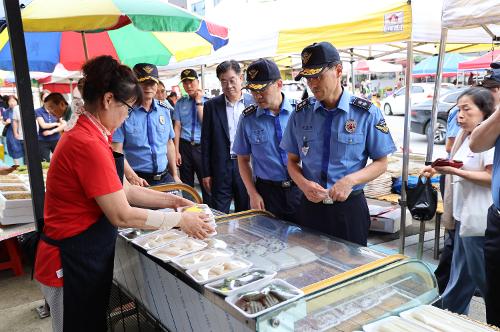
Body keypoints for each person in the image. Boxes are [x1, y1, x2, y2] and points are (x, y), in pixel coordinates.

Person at [34, 55, 214, 332]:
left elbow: (124, 190)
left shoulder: (94, 135)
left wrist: (175, 201)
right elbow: (121, 213)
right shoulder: (86, 143)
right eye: (128, 107)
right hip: (69, 263)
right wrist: (179, 220)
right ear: (108, 100)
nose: (128, 115)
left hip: (84, 256)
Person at [280, 42, 396, 246]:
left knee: (351, 270)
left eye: (318, 76)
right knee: (310, 268)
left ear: (338, 71)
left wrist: (349, 181)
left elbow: (381, 162)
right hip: (310, 205)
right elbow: (291, 162)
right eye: (308, 78)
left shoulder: (366, 113)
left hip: (349, 208)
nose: (313, 84)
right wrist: (304, 184)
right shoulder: (300, 113)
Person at [422, 87, 495, 315]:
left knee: (481, 279)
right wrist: (438, 170)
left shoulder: (489, 142)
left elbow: (491, 178)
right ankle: (448, 315)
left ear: (484, 112)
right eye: (458, 109)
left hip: (480, 221)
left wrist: (455, 173)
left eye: (467, 109)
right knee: (461, 273)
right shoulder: (466, 137)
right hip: (464, 217)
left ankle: (454, 313)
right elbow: (460, 165)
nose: (460, 115)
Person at [233, 59, 302, 222]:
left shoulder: (300, 112)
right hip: (267, 193)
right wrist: (252, 193)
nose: (257, 96)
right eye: (253, 90)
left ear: (279, 84)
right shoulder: (248, 118)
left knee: (306, 242)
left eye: (262, 89)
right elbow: (242, 160)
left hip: (301, 188)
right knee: (270, 244)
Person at [112, 63, 180, 186]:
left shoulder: (164, 110)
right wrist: (132, 177)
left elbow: (169, 143)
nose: (148, 87)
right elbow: (117, 149)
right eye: (143, 83)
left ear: (157, 85)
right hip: (138, 179)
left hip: (165, 177)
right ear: (135, 85)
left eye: (152, 83)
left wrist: (174, 175)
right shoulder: (124, 111)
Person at [469, 61, 500, 327]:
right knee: (495, 298)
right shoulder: (495, 120)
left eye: (494, 89)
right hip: (498, 220)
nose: (489, 96)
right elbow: (476, 144)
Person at [201, 60, 253, 213]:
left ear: (240, 78)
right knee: (220, 212)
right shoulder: (211, 106)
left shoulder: (253, 102)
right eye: (223, 81)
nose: (228, 86)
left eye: (232, 80)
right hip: (221, 167)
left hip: (246, 165)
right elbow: (206, 141)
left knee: (246, 211)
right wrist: (206, 173)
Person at [434, 104, 461, 294]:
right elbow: (450, 146)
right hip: (454, 181)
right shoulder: (464, 107)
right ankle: (442, 282)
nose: (462, 115)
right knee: (453, 235)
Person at [173, 69, 209, 202]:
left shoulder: (209, 102)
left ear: (198, 82)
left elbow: (205, 124)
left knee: (206, 182)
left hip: (202, 148)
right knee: (187, 184)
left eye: (191, 82)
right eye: (185, 82)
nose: (188, 85)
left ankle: (209, 212)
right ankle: (190, 212)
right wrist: (176, 151)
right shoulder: (180, 103)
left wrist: (199, 102)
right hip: (185, 146)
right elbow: (177, 127)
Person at [35, 93, 67, 162]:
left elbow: (64, 124)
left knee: (60, 159)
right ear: (42, 100)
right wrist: (57, 123)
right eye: (44, 97)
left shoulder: (58, 109)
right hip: (42, 140)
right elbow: (43, 125)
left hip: (56, 139)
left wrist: (52, 131)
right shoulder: (38, 111)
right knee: (45, 161)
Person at [4, 95, 24, 165]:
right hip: (11, 132)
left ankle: (26, 165)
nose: (12, 103)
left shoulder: (22, 109)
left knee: (24, 148)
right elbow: (4, 121)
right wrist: (6, 122)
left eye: (13, 101)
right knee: (13, 148)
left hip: (21, 130)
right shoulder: (6, 111)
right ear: (7, 102)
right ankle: (17, 166)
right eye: (10, 101)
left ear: (17, 101)